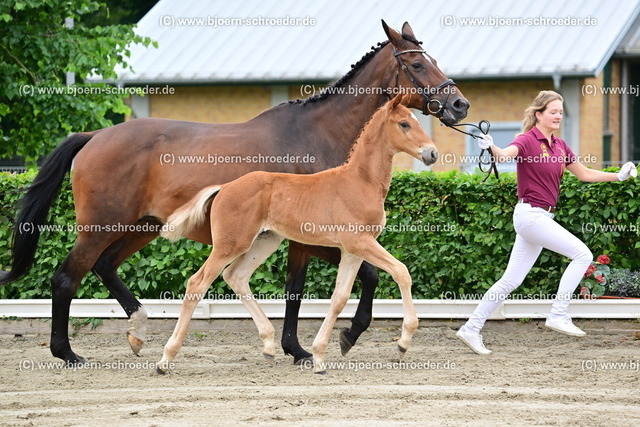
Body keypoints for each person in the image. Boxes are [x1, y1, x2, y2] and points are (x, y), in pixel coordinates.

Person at [456, 90, 637, 355]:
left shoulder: (560, 145)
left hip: (541, 218)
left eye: (561, 112)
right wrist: (491, 146)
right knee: (582, 255)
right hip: (530, 215)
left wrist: (618, 177)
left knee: (510, 281)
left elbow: (584, 174)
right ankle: (558, 314)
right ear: (539, 114)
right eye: (553, 112)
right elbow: (504, 155)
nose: (558, 116)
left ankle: (470, 328)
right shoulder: (527, 140)